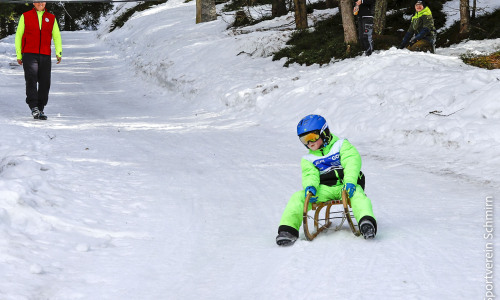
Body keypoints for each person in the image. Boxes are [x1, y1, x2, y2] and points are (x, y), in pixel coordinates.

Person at [276, 115, 377, 246]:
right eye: (304, 140)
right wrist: (310, 187)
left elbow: (352, 162)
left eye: (312, 137)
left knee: (359, 196)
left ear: (324, 132)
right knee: (298, 197)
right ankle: (287, 230)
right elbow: (310, 174)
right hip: (324, 189)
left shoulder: (341, 145)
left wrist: (351, 182)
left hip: (345, 186)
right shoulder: (308, 159)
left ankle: (366, 222)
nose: (309, 143)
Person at [15, 1, 62, 120]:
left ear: (46, 3)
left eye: (43, 1)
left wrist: (58, 52)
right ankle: (34, 107)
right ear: (33, 3)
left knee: (45, 82)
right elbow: (19, 35)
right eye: (38, 1)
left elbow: (56, 35)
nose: (40, 3)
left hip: (45, 55)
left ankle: (40, 108)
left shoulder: (51, 18)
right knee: (31, 80)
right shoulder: (25, 16)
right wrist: (19, 54)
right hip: (29, 54)